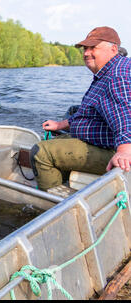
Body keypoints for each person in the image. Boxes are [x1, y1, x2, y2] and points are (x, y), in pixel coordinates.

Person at [30, 26, 131, 191]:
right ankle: (59, 181)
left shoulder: (117, 76)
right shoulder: (110, 70)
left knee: (41, 152)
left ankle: (55, 207)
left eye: (93, 48)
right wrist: (60, 125)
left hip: (113, 150)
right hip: (105, 141)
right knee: (68, 117)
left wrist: (126, 149)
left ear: (113, 49)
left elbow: (125, 112)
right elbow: (90, 111)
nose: (86, 53)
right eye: (85, 48)